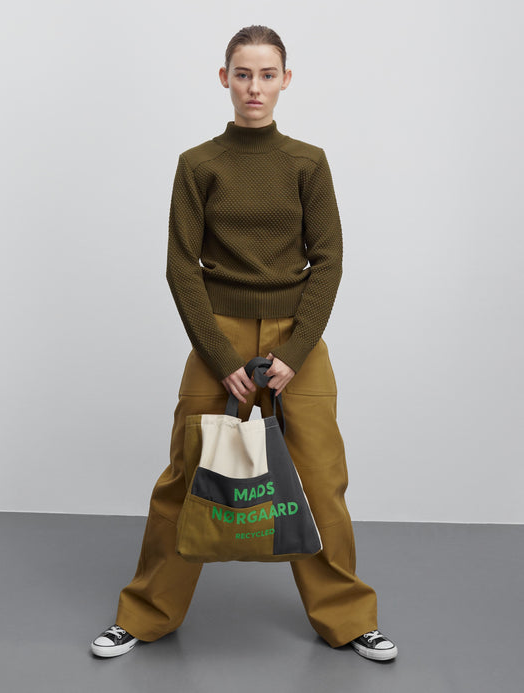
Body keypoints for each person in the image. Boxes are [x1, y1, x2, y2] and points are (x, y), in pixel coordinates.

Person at [90, 24, 397, 662]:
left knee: (320, 482)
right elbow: (181, 267)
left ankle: (348, 620)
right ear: (224, 79)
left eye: (266, 74)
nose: (254, 87)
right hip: (219, 337)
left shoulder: (307, 162)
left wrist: (296, 352)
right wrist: (222, 358)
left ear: (286, 80)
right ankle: (144, 614)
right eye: (242, 74)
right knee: (187, 479)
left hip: (296, 340)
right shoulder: (198, 164)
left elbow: (329, 261)